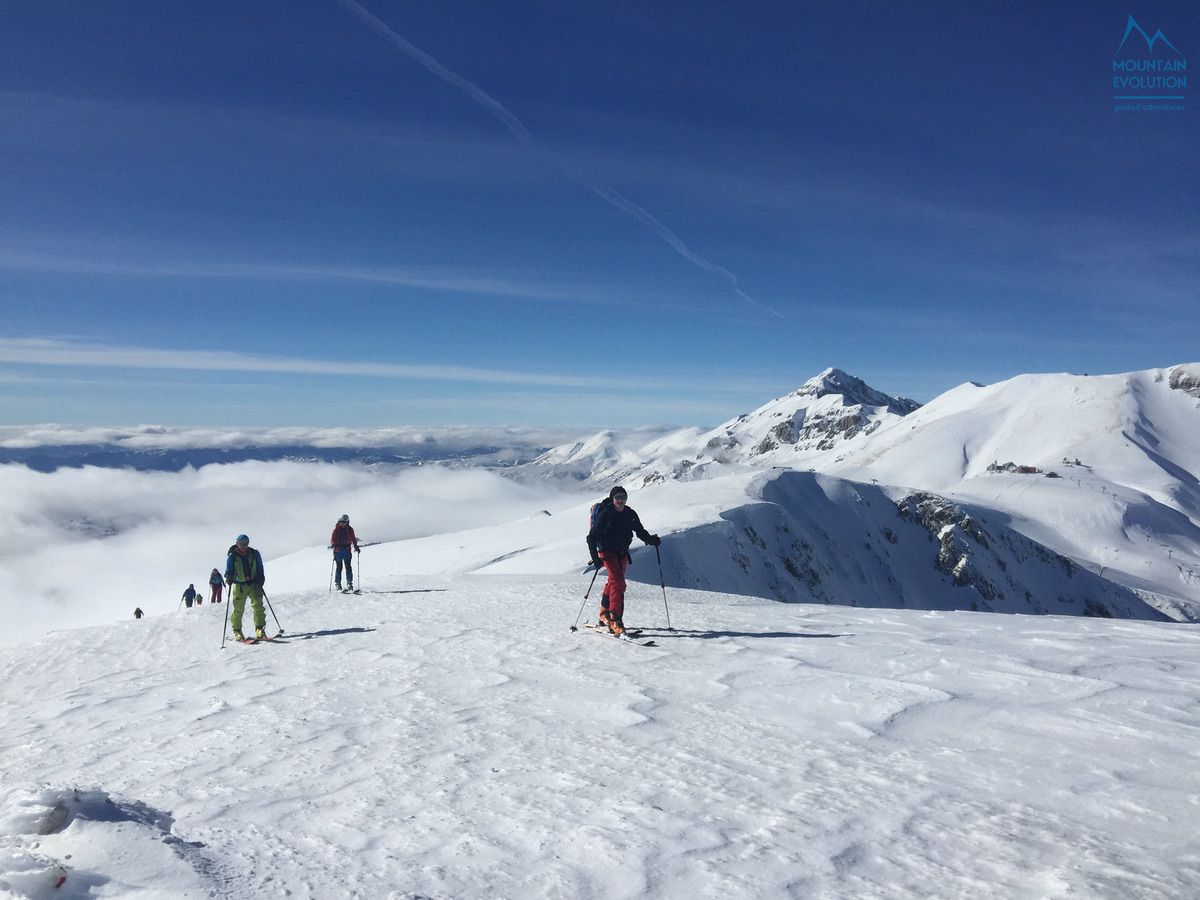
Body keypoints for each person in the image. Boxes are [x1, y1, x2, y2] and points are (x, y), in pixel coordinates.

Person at [585, 486, 660, 636]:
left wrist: (652, 540)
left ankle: (604, 613)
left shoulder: (629, 514)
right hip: (607, 552)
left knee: (613, 582)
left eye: (623, 498)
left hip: (622, 553)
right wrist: (595, 558)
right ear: (612, 499)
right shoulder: (606, 514)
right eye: (617, 497)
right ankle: (615, 621)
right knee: (619, 583)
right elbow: (591, 537)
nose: (620, 500)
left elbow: (639, 531)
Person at [225, 534, 267, 641]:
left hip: (254, 584)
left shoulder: (254, 553)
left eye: (246, 543)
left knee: (258, 606)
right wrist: (229, 577)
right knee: (238, 610)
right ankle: (237, 631)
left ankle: (259, 629)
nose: (244, 545)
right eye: (242, 543)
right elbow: (228, 571)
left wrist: (261, 577)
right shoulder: (232, 556)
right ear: (237, 544)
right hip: (240, 586)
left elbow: (259, 566)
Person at [329, 514, 360, 591]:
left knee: (348, 567)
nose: (342, 523)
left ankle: (349, 583)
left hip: (346, 550)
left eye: (344, 522)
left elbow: (353, 538)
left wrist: (356, 547)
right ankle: (338, 584)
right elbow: (332, 539)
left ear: (347, 522)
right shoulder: (336, 530)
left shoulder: (350, 529)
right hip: (338, 550)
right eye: (341, 522)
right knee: (339, 567)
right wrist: (333, 544)